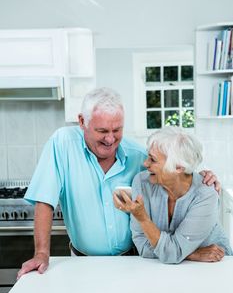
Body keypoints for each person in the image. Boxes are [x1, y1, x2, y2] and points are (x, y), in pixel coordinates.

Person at [18, 88, 220, 278]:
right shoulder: (62, 144)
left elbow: (171, 171)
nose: (110, 139)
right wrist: (42, 253)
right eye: (102, 130)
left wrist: (198, 177)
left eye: (117, 130)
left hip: (135, 261)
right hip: (82, 262)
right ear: (82, 122)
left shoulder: (137, 156)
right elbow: (45, 200)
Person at [113, 127, 232, 263]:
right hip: (167, 268)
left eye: (153, 159)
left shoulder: (205, 194)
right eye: (148, 156)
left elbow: (169, 251)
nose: (145, 163)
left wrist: (143, 219)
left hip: (214, 266)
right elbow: (143, 245)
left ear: (179, 167)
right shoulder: (141, 182)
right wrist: (191, 254)